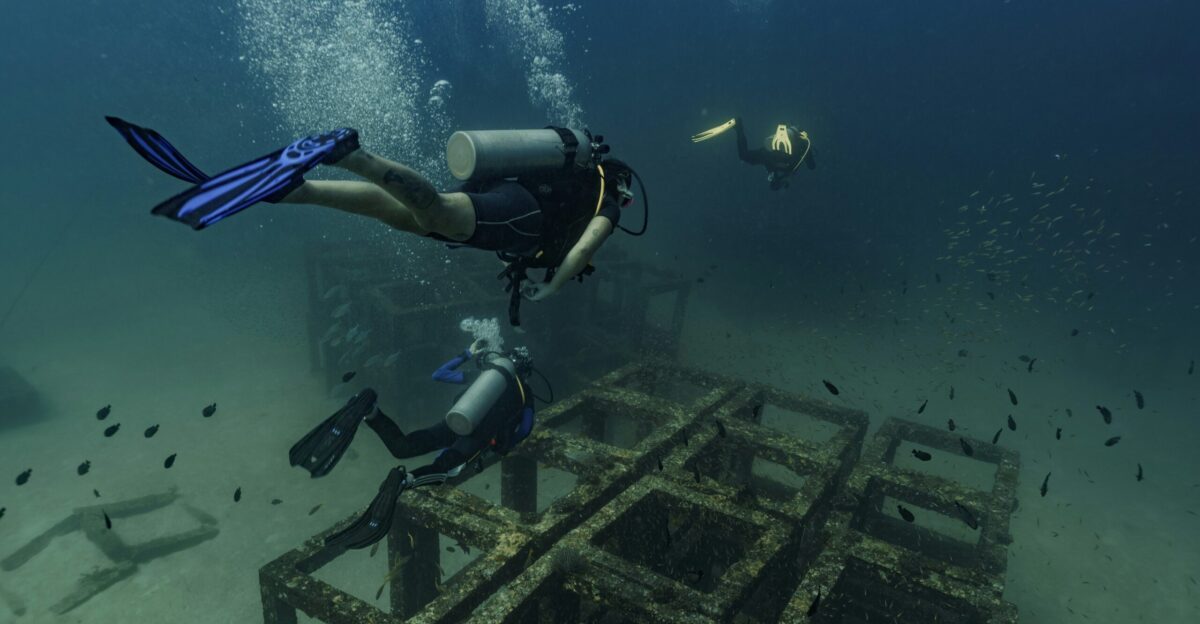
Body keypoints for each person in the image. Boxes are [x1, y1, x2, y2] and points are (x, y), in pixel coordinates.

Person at [104, 118, 648, 324]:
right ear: (621, 181)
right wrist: (550, 291)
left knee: (409, 217)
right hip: (520, 218)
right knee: (438, 213)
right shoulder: (608, 195)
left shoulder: (581, 175)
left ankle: (294, 190)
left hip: (512, 198)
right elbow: (583, 249)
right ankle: (349, 154)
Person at [287, 339, 539, 550]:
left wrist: (468, 353)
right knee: (445, 470)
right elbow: (525, 429)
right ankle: (406, 479)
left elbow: (438, 374)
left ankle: (371, 411)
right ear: (525, 373)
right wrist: (504, 446)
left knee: (404, 446)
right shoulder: (525, 394)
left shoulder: (484, 377)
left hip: (453, 423)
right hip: (476, 440)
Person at [691, 117, 816, 191]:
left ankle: (738, 125)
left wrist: (777, 181)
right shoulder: (804, 144)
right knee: (781, 161)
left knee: (744, 155)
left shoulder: (801, 144)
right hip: (776, 158)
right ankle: (738, 126)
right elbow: (811, 166)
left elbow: (775, 173)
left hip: (768, 153)